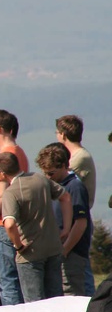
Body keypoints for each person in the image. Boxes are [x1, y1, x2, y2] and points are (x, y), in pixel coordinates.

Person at [0, 152, 71, 303]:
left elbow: (9, 224)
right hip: (53, 247)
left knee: (35, 304)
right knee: (56, 301)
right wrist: (66, 228)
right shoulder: (39, 178)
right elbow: (65, 197)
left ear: (2, 173)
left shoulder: (11, 192)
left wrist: (18, 246)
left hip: (30, 253)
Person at [35, 144, 92, 296]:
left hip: (71, 252)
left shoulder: (75, 186)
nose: (48, 177)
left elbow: (81, 223)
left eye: (51, 173)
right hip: (57, 250)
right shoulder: (54, 185)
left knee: (71, 293)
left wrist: (65, 249)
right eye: (45, 174)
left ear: (63, 166)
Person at [0, 109, 28, 306]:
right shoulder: (19, 153)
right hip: (19, 219)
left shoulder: (2, 159)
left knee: (5, 279)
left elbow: (1, 194)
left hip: (3, 222)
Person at [55, 115, 97, 296]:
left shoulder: (78, 158)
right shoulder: (80, 155)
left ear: (63, 134)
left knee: (81, 271)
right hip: (73, 216)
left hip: (77, 217)